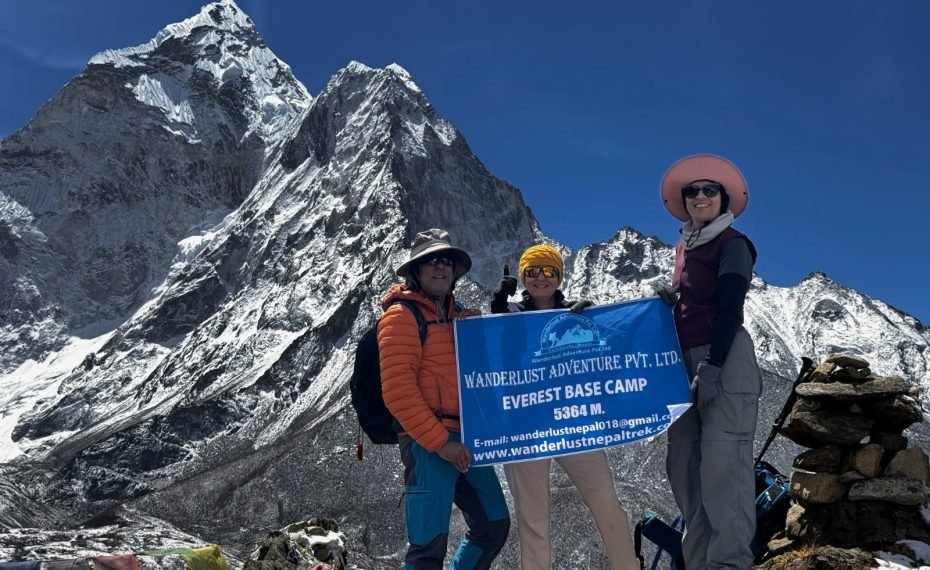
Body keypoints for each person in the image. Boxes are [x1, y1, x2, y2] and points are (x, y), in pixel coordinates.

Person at [491, 244, 638, 570]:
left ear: (559, 276)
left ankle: (628, 565)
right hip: (526, 426)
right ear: (523, 277)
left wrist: (595, 321)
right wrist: (498, 304)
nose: (540, 278)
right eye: (532, 271)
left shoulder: (578, 313)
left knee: (606, 500)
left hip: (573, 421)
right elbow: (494, 346)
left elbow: (610, 353)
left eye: (548, 271)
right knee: (532, 517)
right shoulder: (510, 314)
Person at [378, 228, 510, 570]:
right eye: (431, 261)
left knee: (494, 525)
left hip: (465, 439)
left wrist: (475, 334)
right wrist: (439, 443)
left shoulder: (457, 314)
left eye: (446, 261)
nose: (440, 267)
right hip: (426, 442)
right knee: (427, 546)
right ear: (415, 271)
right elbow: (398, 390)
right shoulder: (400, 317)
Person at [657, 155, 763, 569]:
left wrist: (714, 365)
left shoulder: (733, 244)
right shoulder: (684, 248)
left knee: (723, 467)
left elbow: (730, 307)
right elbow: (693, 305)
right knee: (685, 468)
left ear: (724, 199)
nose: (699, 196)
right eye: (692, 191)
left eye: (709, 190)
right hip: (681, 365)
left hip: (723, 359)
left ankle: (729, 564)